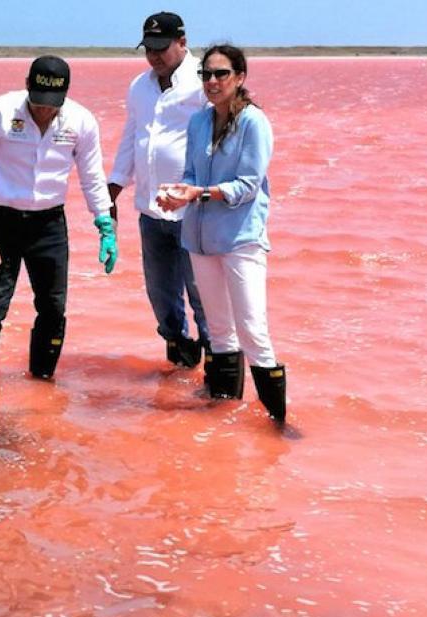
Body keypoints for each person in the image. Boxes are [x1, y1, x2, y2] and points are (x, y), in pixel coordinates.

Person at [0, 56, 116, 381]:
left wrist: (105, 223)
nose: (44, 110)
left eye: (52, 103)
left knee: (53, 307)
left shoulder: (81, 121)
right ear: (27, 85)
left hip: (49, 225)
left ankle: (42, 383)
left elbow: (92, 176)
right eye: (39, 100)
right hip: (1, 223)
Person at [155, 44, 287, 425]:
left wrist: (199, 193)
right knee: (218, 331)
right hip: (199, 239)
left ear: (240, 77)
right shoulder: (198, 121)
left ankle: (277, 423)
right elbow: (191, 175)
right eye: (206, 74)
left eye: (221, 74)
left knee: (252, 330)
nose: (212, 81)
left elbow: (248, 185)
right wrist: (178, 195)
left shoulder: (254, 123)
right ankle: (223, 415)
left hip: (240, 239)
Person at [108, 11, 210, 369]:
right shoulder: (139, 86)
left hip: (193, 212)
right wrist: (113, 187)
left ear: (182, 42)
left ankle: (219, 372)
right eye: (148, 48)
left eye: (160, 48)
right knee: (161, 295)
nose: (153, 56)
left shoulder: (204, 81)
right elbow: (131, 139)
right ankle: (179, 362)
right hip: (151, 211)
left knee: (203, 295)